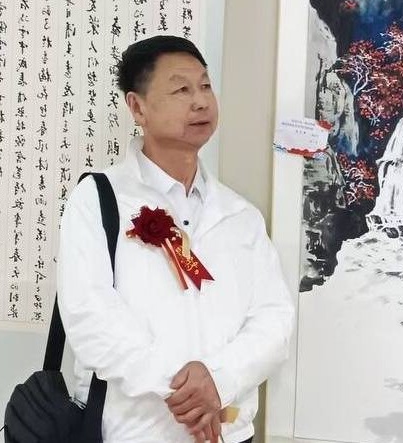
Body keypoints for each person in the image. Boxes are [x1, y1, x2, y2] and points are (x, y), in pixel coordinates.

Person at [57, 35, 295, 443]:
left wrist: (218, 380)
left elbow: (274, 321)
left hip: (229, 434)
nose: (200, 101)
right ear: (138, 107)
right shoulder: (98, 200)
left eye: (205, 86)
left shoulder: (240, 215)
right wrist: (186, 390)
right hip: (131, 434)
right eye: (181, 89)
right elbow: (90, 317)